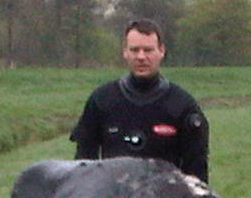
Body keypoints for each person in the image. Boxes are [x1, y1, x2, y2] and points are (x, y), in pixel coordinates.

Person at [71, 19, 210, 181]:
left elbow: (197, 177)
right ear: (125, 52)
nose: (141, 57)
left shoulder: (182, 106)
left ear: (161, 51)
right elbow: (82, 170)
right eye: (135, 50)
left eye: (148, 50)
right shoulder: (102, 100)